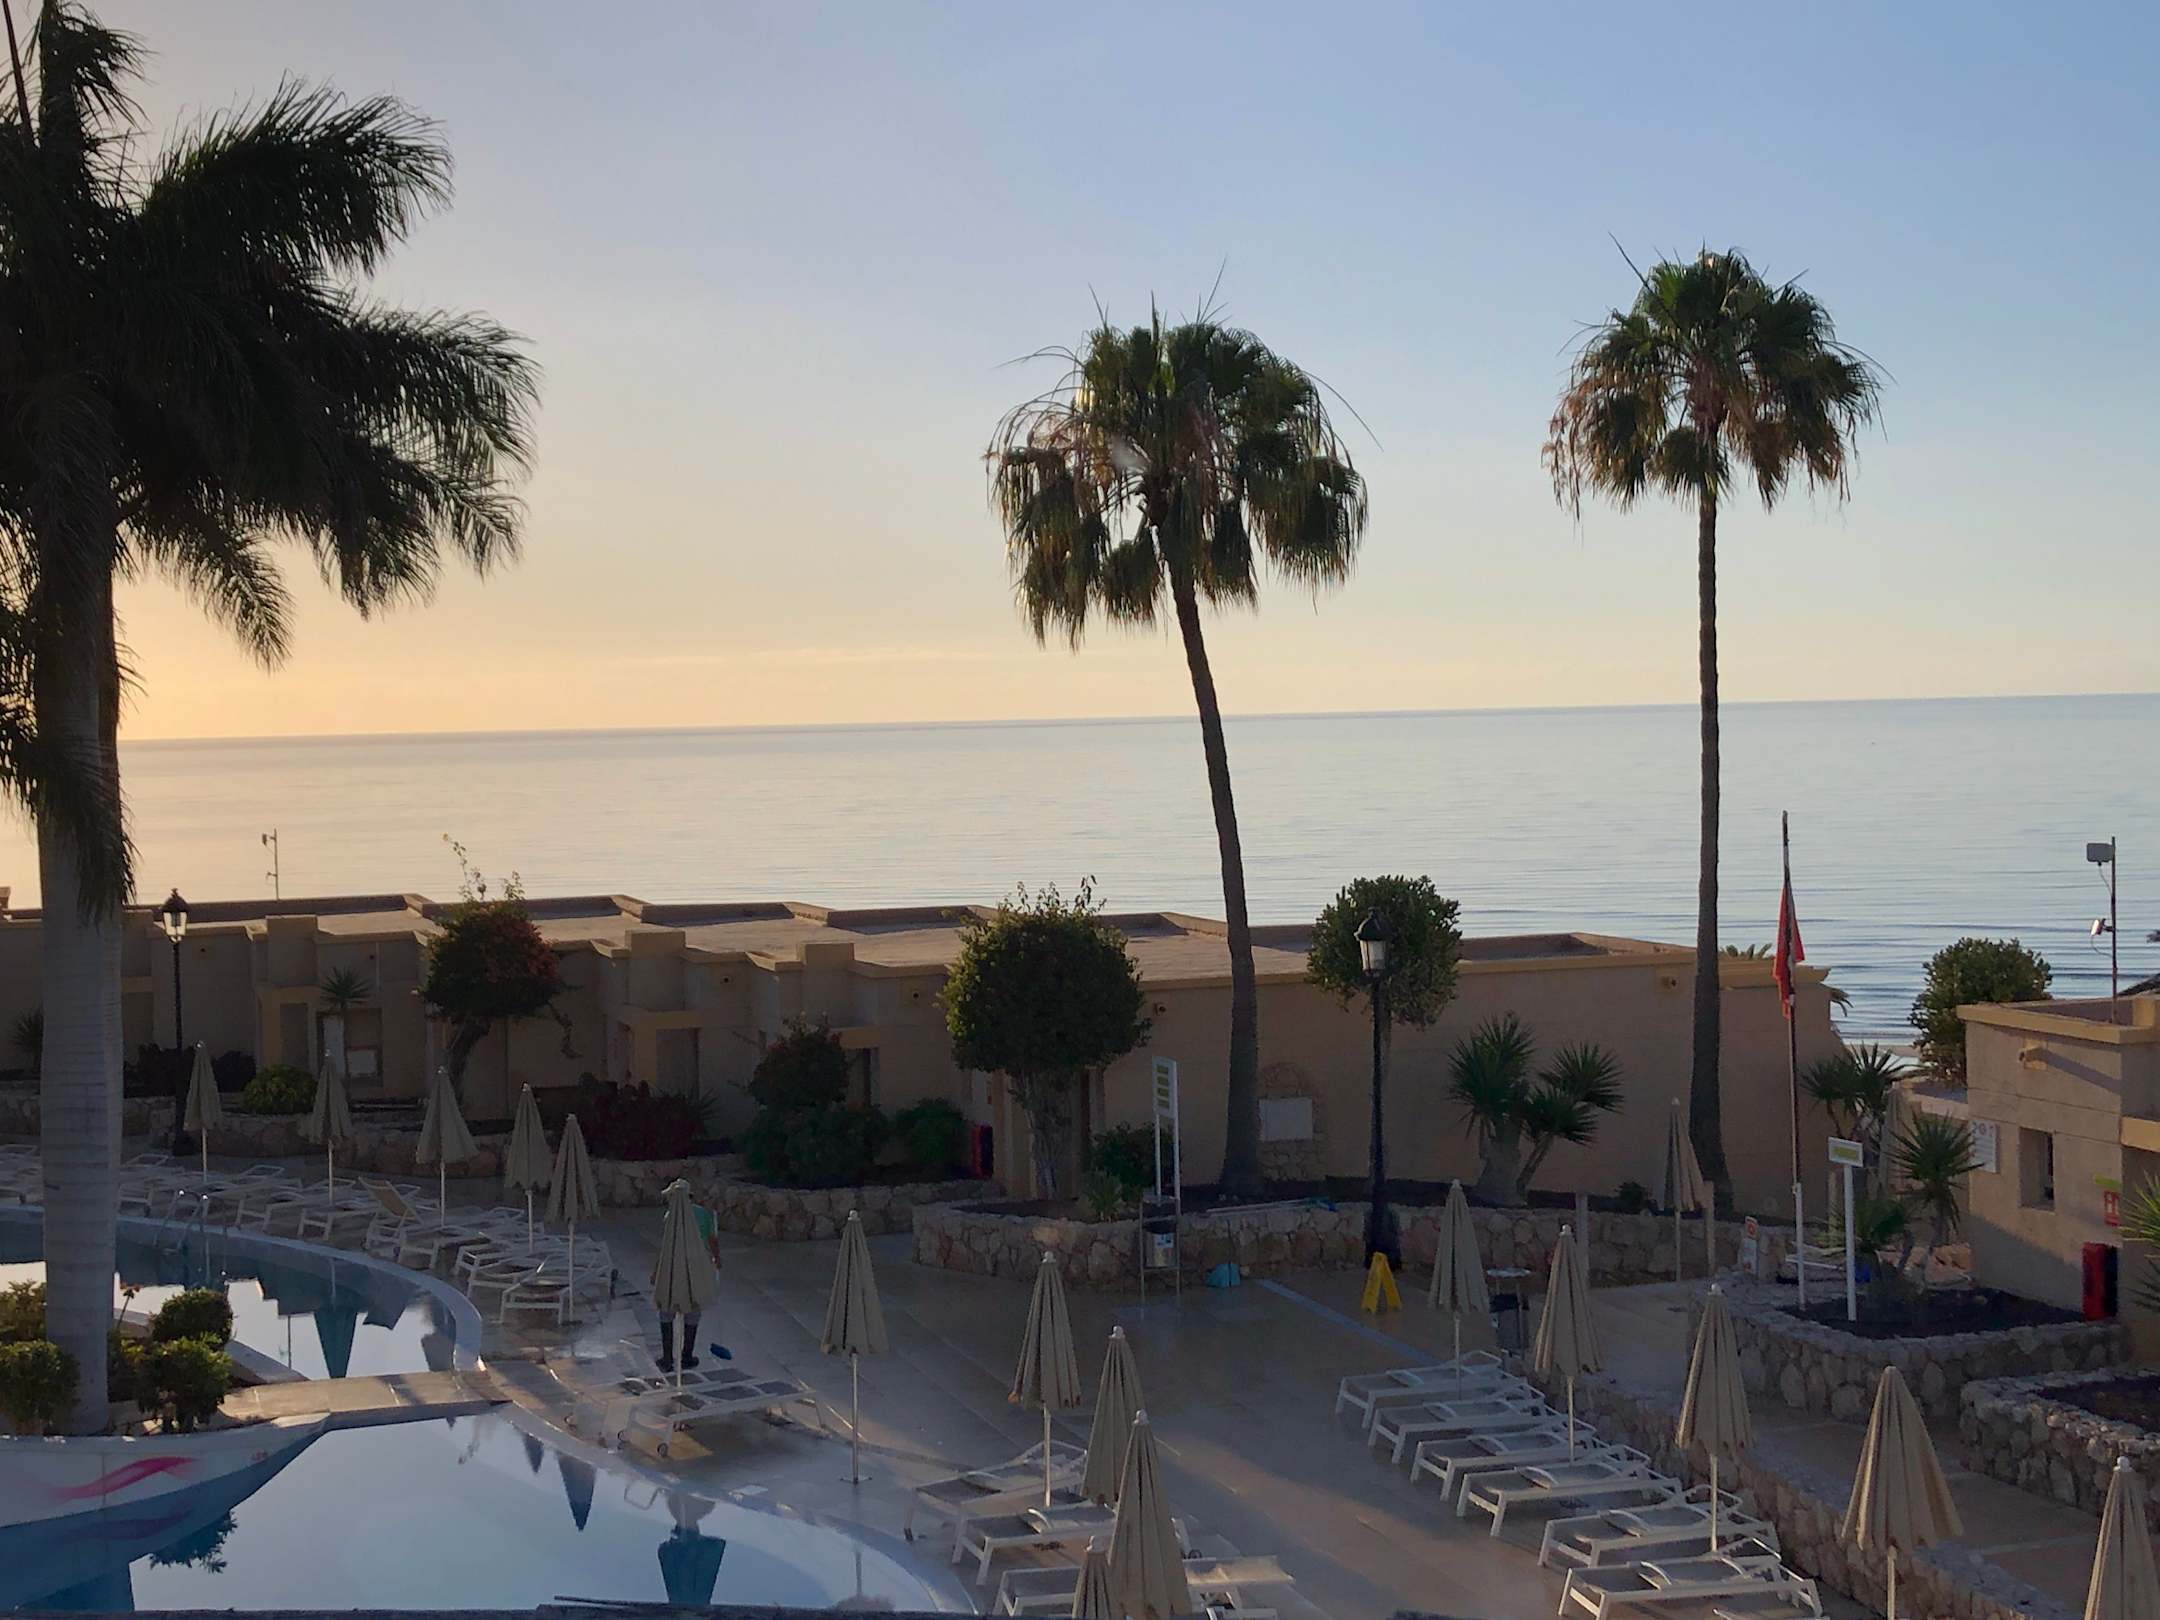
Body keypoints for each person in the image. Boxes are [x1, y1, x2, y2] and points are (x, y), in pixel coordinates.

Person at [658, 1200, 729, 1370]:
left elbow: (666, 1245)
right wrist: (717, 1257)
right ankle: (687, 1356)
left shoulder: (670, 1215)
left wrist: (657, 1271)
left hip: (674, 1266)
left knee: (667, 1310)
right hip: (696, 1266)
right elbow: (712, 1240)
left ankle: (667, 1358)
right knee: (693, 1308)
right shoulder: (703, 1214)